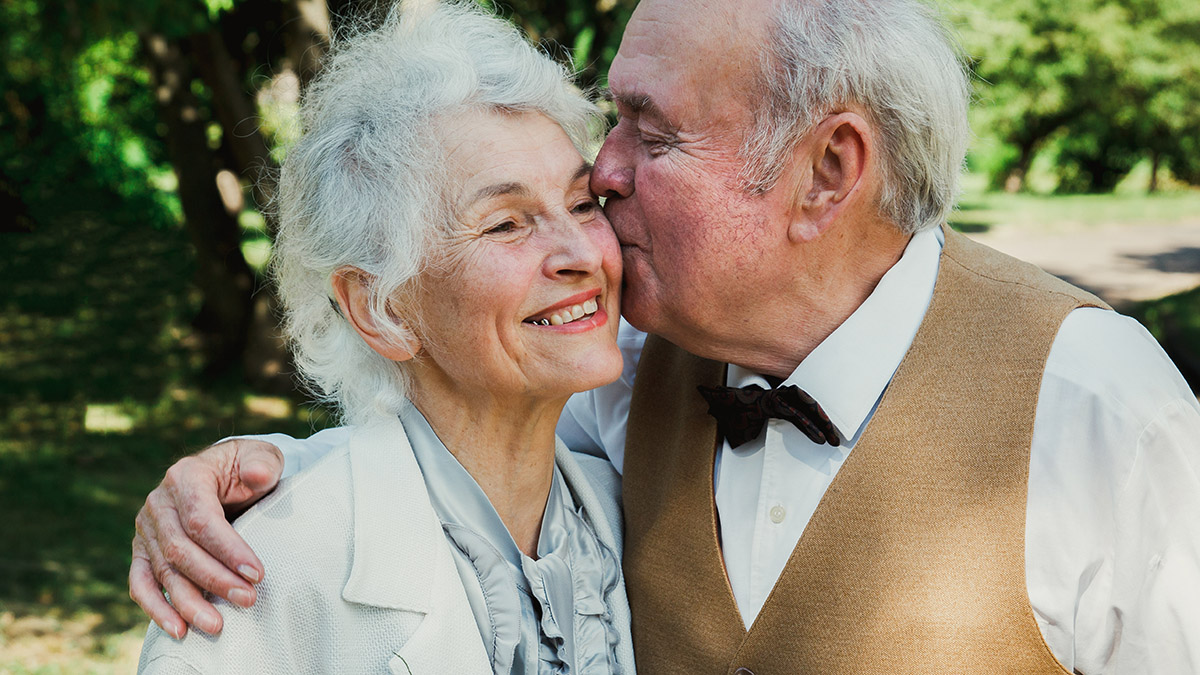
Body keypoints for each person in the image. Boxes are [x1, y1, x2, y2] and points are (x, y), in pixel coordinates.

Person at [132, 0, 1200, 672]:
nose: (604, 176)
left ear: (828, 172)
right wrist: (255, 480)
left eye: (653, 129)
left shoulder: (1105, 415)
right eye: (612, 126)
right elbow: (450, 429)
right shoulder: (623, 381)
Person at [135, 3, 638, 673]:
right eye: (506, 224)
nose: (580, 251)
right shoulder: (258, 583)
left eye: (581, 204)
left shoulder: (627, 513)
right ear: (381, 309)